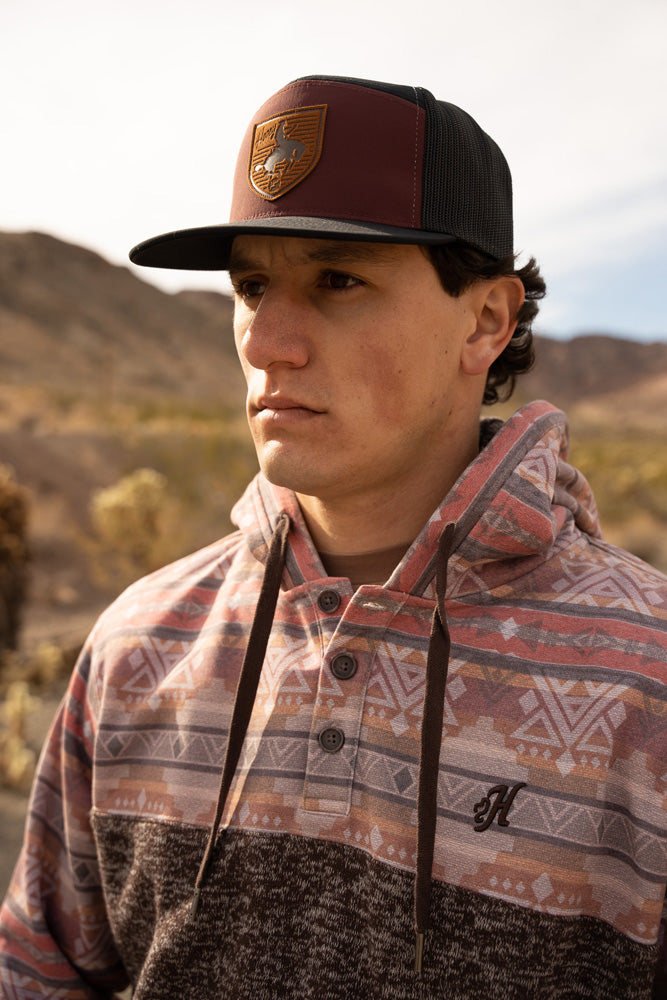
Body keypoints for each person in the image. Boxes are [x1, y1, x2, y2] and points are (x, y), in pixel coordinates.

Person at [1, 75, 666, 1000]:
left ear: (485, 320)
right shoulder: (138, 647)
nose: (267, 341)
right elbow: (40, 972)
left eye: (337, 280)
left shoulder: (646, 682)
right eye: (251, 285)